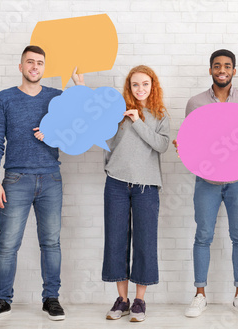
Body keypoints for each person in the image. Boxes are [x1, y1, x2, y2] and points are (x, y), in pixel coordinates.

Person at [65, 65, 170, 322]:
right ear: (129, 87)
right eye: (135, 84)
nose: (140, 89)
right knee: (115, 240)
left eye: (145, 84)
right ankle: (122, 300)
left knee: (145, 242)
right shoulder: (118, 112)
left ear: (153, 85)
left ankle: (139, 301)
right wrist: (80, 88)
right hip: (116, 184)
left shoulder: (160, 114)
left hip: (146, 186)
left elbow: (162, 145)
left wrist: (138, 121)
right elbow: (96, 123)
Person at [176, 49, 238, 318]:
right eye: (217, 66)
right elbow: (191, 141)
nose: (222, 70)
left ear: (234, 71)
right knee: (203, 236)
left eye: (227, 66)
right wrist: (182, 147)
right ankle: (200, 295)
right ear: (211, 70)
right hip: (206, 181)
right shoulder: (195, 102)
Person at [0, 45, 66, 321]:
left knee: (51, 243)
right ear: (21, 67)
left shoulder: (57, 97)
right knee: (8, 244)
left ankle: (51, 299)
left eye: (40, 63)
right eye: (29, 62)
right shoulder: (4, 98)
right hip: (15, 179)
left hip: (51, 178)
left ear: (45, 68)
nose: (35, 67)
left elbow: (79, 124)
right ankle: (2, 299)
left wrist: (79, 88)